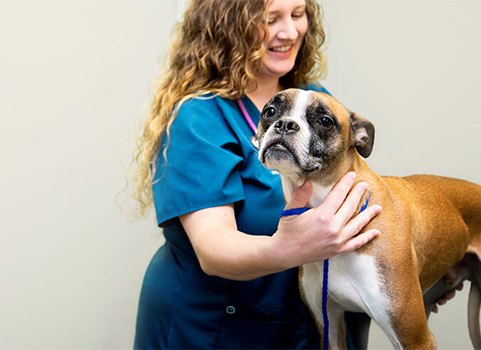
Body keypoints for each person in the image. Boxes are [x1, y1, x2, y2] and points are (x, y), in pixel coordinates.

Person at [130, 0, 460, 348]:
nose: (289, 32)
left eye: (298, 14)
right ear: (228, 25)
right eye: (271, 19)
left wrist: (413, 274)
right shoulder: (199, 119)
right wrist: (289, 248)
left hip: (297, 323)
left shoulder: (317, 99)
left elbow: (368, 206)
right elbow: (212, 248)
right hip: (215, 328)